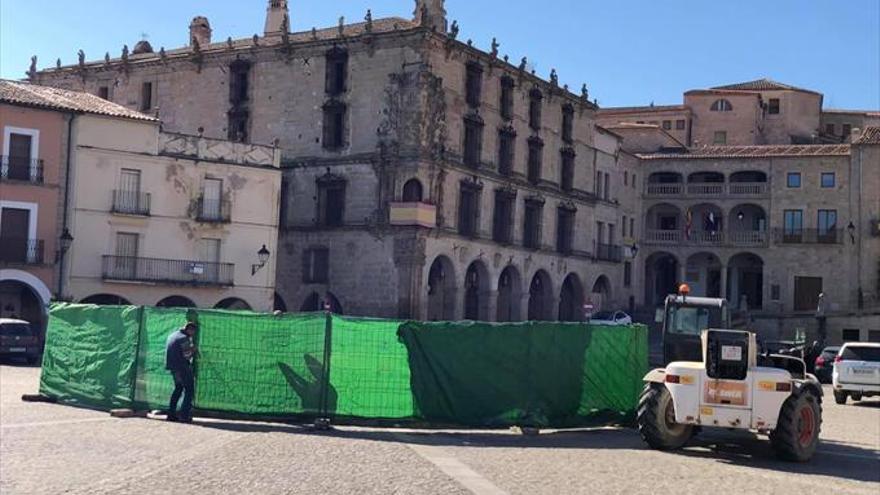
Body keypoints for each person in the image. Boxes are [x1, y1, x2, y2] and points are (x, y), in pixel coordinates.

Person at [165, 322, 198, 423]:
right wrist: (193, 350)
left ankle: (171, 414)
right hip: (182, 367)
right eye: (193, 332)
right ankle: (184, 415)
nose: (193, 334)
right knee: (189, 390)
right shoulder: (183, 338)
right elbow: (187, 355)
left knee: (178, 388)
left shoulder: (173, 335)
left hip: (173, 367)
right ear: (190, 330)